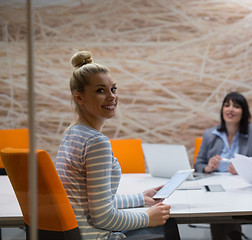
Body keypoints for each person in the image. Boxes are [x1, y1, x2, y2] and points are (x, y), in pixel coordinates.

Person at [56, 50, 180, 240]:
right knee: (168, 225)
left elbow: (93, 203)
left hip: (77, 233)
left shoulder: (72, 133)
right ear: (78, 98)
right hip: (96, 236)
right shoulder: (96, 142)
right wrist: (147, 217)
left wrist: (140, 199)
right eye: (100, 91)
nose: (111, 96)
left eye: (113, 89)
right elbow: (103, 218)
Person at [194, 91, 252, 240]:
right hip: (217, 189)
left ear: (243, 112)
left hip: (246, 188)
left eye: (236, 106)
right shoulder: (209, 134)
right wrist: (207, 168)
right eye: (226, 105)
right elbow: (198, 164)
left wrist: (245, 168)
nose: (230, 109)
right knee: (218, 212)